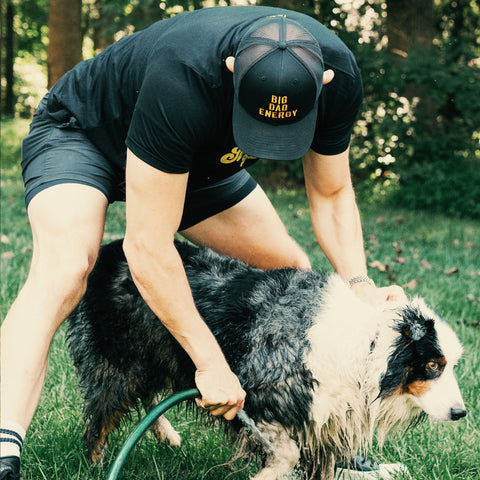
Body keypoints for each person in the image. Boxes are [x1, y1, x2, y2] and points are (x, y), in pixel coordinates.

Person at [0, 6, 406, 479]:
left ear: (325, 82)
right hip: (86, 134)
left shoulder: (340, 77)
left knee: (289, 274)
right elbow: (148, 249)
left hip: (191, 161)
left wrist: (358, 283)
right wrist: (209, 363)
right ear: (232, 69)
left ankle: (312, 438)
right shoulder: (184, 74)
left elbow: (332, 195)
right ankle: (4, 445)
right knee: (66, 268)